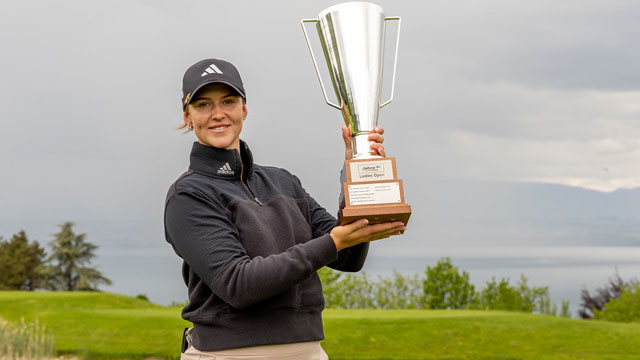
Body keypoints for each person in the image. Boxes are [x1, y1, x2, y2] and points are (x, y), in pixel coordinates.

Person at [164, 58, 406, 360]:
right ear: (188, 116)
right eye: (203, 105)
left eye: (228, 101)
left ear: (244, 109)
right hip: (228, 354)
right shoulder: (188, 195)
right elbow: (238, 284)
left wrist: (356, 171)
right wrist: (335, 241)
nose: (218, 114)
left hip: (308, 351)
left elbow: (348, 257)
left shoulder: (282, 181)